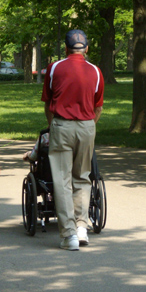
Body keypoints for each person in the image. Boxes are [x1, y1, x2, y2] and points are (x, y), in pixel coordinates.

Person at [41, 29, 104, 251]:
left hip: (62, 125)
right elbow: (98, 106)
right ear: (86, 48)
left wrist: (53, 127)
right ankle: (81, 228)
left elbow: (48, 103)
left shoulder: (55, 67)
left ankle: (69, 236)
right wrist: (88, 128)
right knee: (83, 177)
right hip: (87, 127)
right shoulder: (96, 71)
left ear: (66, 48)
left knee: (62, 180)